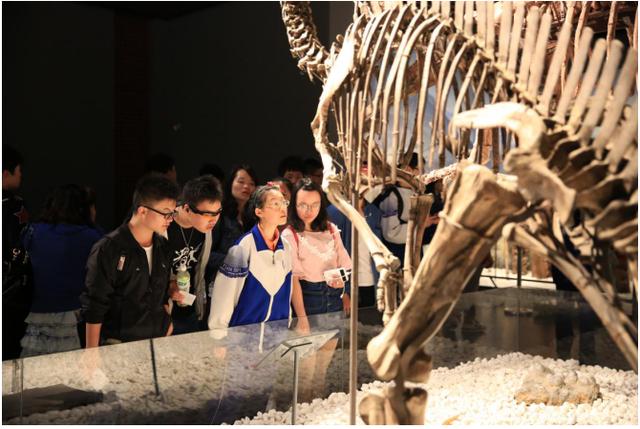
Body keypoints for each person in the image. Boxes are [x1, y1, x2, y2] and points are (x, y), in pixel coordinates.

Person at [81, 174, 179, 347]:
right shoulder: (109, 248)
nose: (170, 219)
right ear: (142, 211)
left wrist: (166, 322)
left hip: (159, 340)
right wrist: (91, 352)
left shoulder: (163, 247)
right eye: (166, 213)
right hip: (120, 343)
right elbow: (94, 304)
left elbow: (160, 293)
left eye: (173, 213)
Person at [20, 185, 103, 357]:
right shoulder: (93, 237)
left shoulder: (33, 232)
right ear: (84, 208)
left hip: (37, 314)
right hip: (76, 319)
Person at [208, 184, 292, 330]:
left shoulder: (286, 246)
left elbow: (287, 291)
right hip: (244, 335)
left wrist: (287, 321)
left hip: (276, 333)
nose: (282, 208)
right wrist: (219, 332)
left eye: (284, 202)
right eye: (275, 203)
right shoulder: (243, 247)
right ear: (259, 211)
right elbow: (225, 294)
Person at [282, 179, 352, 330]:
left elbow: (345, 265)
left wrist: (342, 283)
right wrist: (302, 318)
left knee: (332, 343)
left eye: (315, 205)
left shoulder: (331, 229)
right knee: (310, 345)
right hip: (308, 299)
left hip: (334, 298)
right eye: (303, 205)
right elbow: (293, 280)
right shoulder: (290, 234)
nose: (309, 210)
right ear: (294, 204)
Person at [166, 175, 223, 334]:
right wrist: (167, 286)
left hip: (189, 309)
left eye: (217, 212)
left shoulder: (205, 230)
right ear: (186, 208)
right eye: (207, 214)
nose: (213, 220)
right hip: (163, 311)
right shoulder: (165, 225)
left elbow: (200, 269)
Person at [327, 192, 383, 308]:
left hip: (371, 281)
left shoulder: (373, 211)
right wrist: (343, 291)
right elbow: (332, 255)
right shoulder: (334, 212)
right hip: (347, 284)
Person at [2, 144, 30, 360]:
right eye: (19, 171)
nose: (21, 176)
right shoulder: (13, 205)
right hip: (9, 291)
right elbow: (20, 245)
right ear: (6, 173)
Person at [208, 165, 257, 279]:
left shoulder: (254, 216)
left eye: (251, 183)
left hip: (246, 280)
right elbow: (206, 254)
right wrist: (234, 261)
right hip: (219, 278)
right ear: (231, 183)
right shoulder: (219, 213)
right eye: (241, 182)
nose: (246, 186)